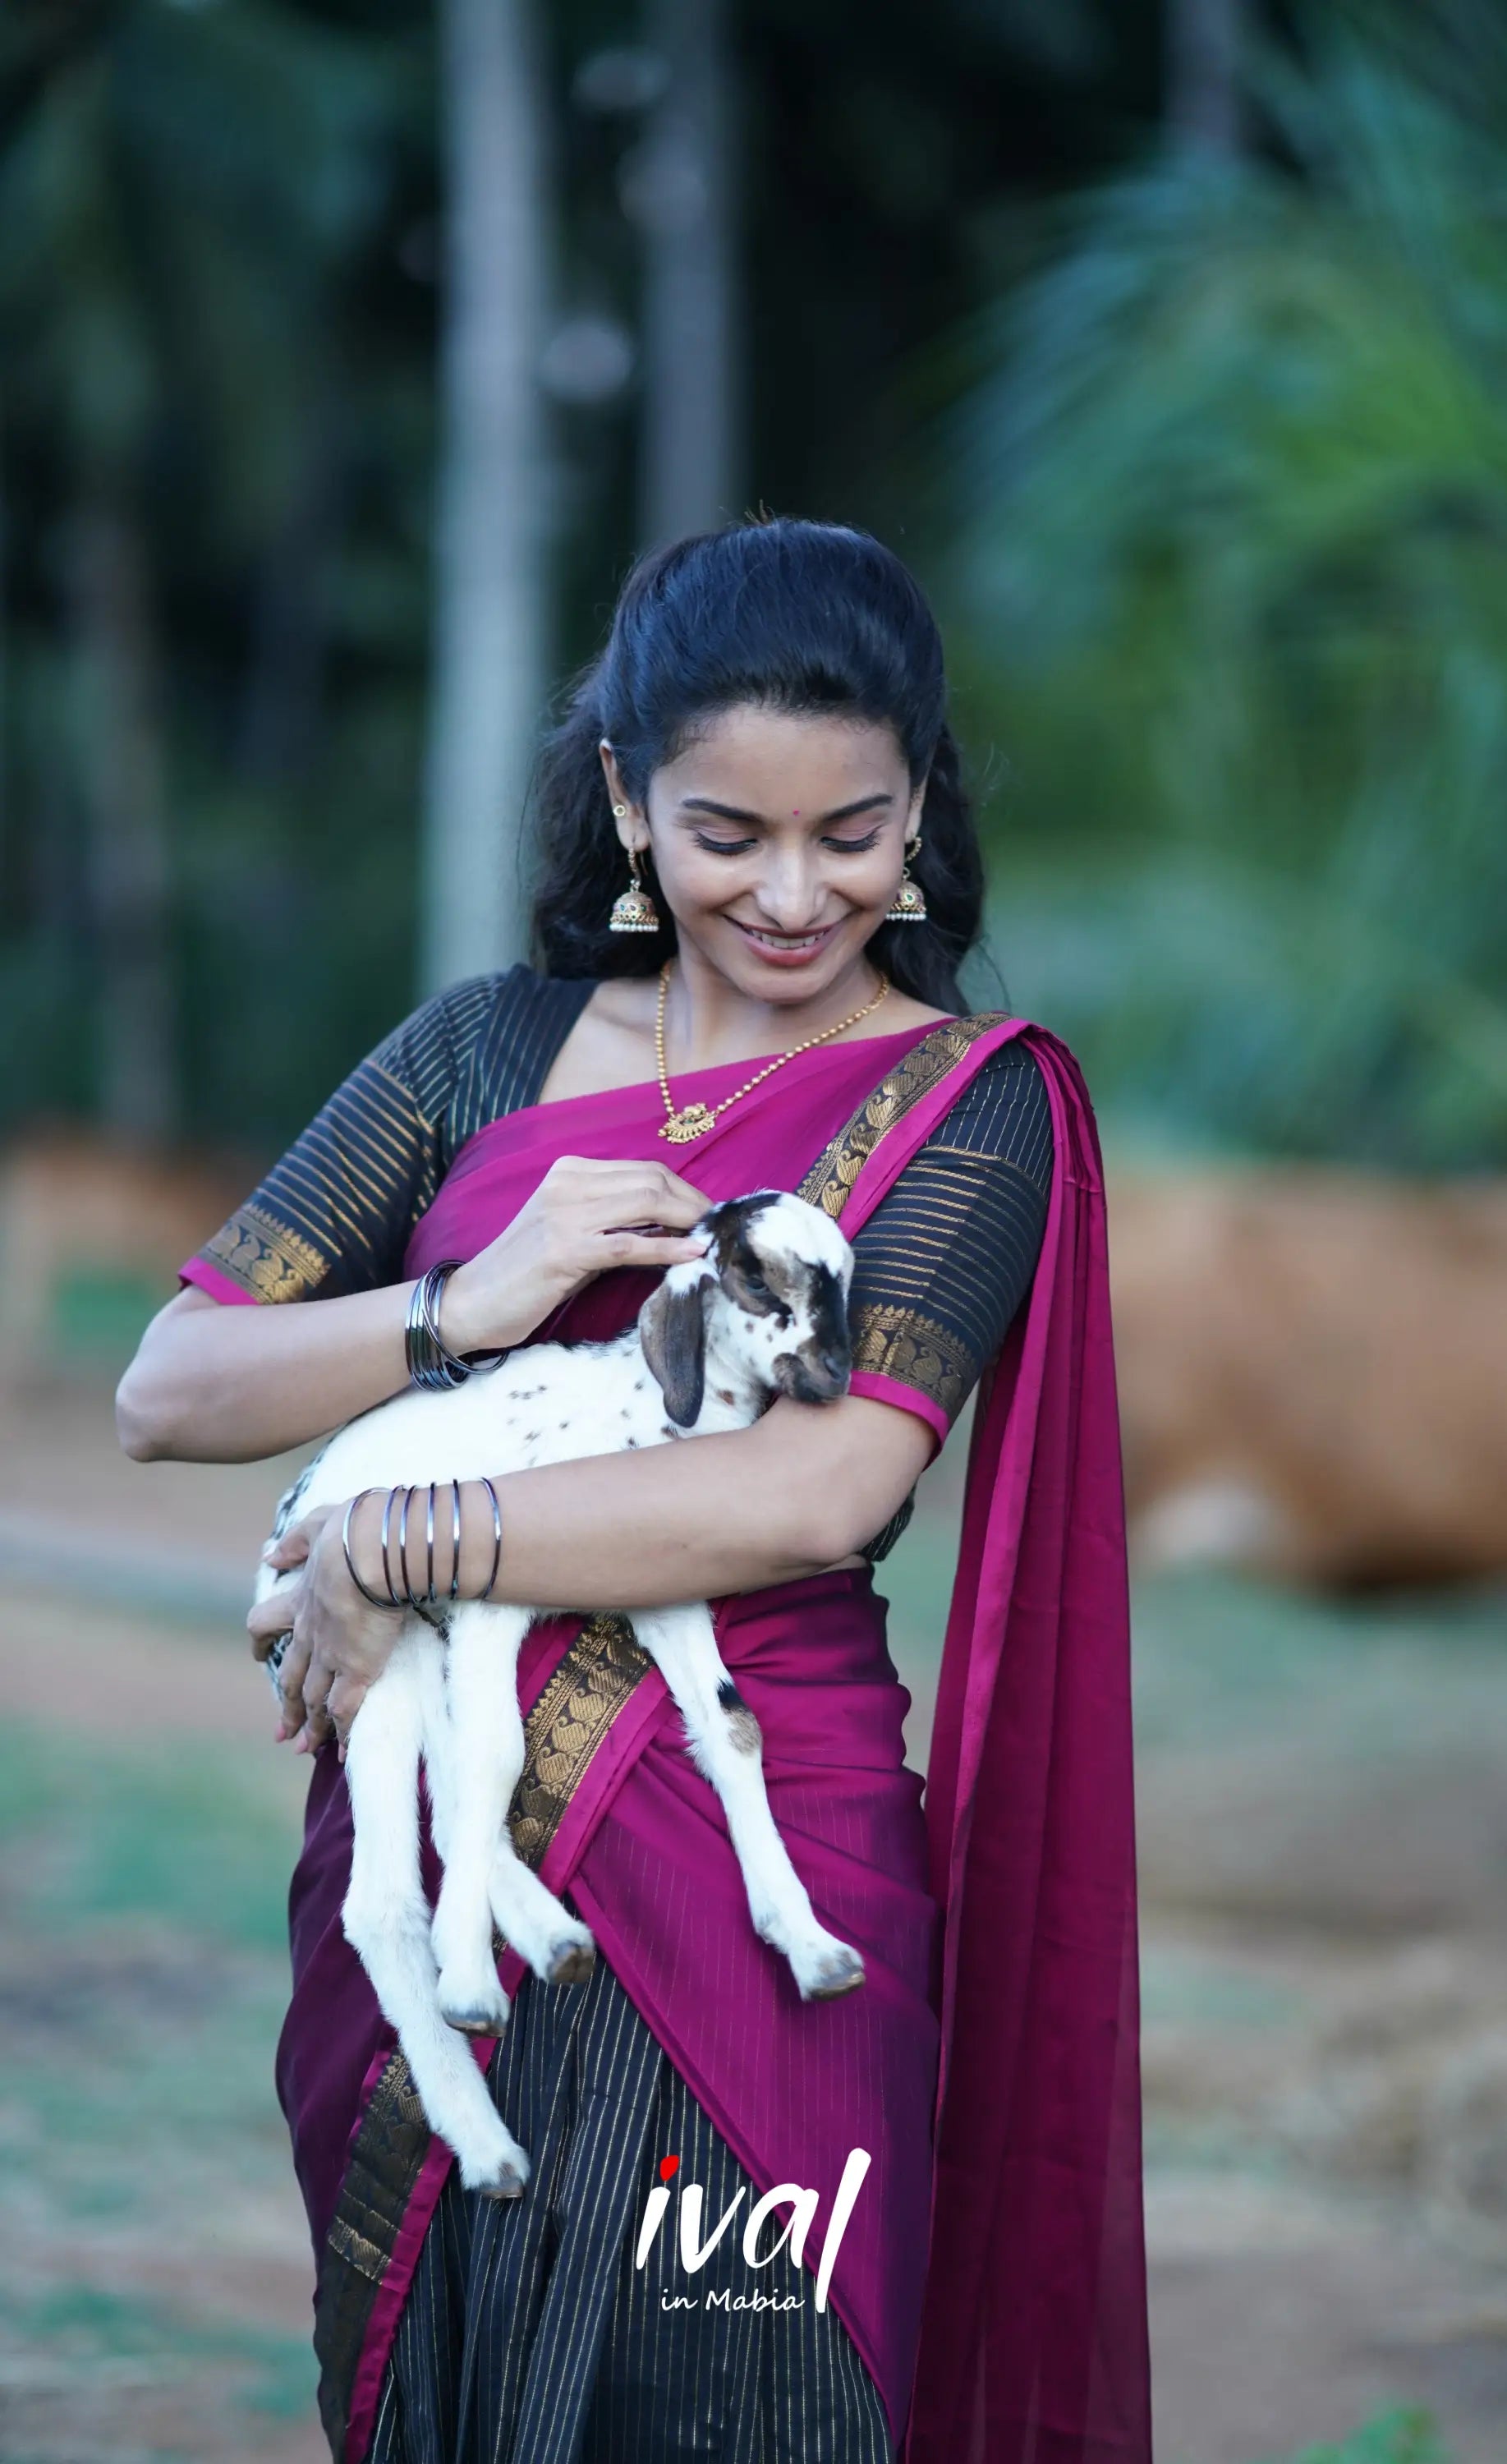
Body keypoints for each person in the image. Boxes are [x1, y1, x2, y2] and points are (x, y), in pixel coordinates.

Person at [117, 518, 1151, 2464]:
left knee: (751, 2373)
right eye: (722, 834)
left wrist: (395, 1541)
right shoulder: (484, 1052)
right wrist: (458, 1306)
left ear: (920, 803)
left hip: (771, 1871)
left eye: (849, 834)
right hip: (434, 1849)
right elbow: (170, 1390)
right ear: (622, 798)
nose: (787, 896)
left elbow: (817, 1489)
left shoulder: (967, 1098)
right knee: (463, 2378)